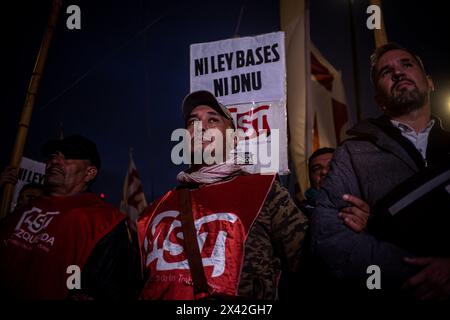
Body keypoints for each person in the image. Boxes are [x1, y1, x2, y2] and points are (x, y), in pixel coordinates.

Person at [311, 43, 450, 301]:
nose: (398, 73)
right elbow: (329, 235)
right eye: (386, 72)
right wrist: (415, 274)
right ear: (379, 100)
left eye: (407, 65)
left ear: (429, 82)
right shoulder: (353, 153)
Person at [137, 90, 308, 300]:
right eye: (192, 122)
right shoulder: (155, 210)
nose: (200, 127)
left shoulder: (265, 192)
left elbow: (311, 270)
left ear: (234, 139)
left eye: (213, 119)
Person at [0, 135, 141, 300]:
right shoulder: (23, 209)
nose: (55, 160)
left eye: (68, 156)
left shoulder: (104, 221)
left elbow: (113, 285)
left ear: (89, 173)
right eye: (53, 155)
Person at [300, 147, 335, 217]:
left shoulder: (360, 204)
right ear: (310, 178)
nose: (324, 172)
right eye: (317, 169)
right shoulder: (298, 212)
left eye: (331, 166)